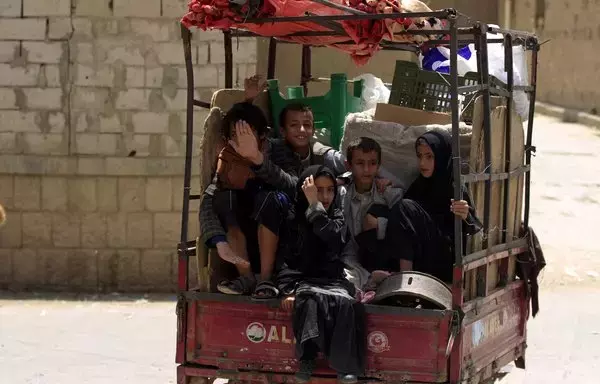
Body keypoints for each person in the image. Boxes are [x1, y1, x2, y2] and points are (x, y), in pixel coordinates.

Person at [200, 76, 391, 298]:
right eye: (294, 125)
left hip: (286, 226)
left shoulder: (283, 151)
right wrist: (218, 240)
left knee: (270, 199)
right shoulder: (230, 157)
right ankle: (246, 277)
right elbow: (211, 196)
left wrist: (373, 176)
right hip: (247, 228)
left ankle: (265, 279)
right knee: (226, 199)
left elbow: (297, 184)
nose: (301, 130)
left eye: (307, 125)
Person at [277, 166, 365, 384]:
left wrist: (316, 208)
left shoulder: (337, 216)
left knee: (345, 305)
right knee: (307, 302)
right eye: (318, 191)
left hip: (333, 280)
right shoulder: (293, 219)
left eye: (330, 191)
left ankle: (345, 367)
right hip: (305, 280)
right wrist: (288, 289)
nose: (325, 197)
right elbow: (287, 258)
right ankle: (307, 359)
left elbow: (333, 238)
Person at [402, 129, 483, 282]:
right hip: (422, 252)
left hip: (444, 259)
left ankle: (404, 278)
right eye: (420, 156)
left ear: (442, 156)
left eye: (429, 157)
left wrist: (465, 214)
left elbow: (474, 227)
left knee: (406, 206)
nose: (422, 163)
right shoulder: (420, 184)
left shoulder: (454, 187)